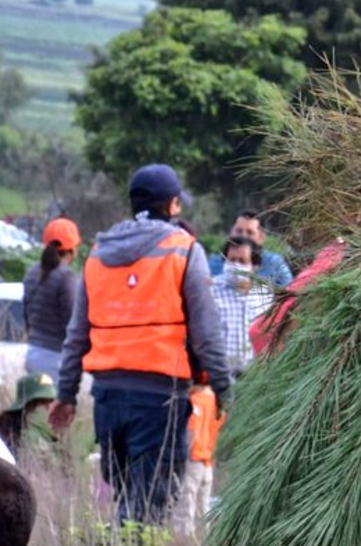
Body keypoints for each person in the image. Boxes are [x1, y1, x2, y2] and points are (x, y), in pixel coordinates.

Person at [50, 163, 232, 525]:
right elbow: (207, 332)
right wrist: (225, 390)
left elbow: (76, 335)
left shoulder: (99, 253)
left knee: (127, 498)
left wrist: (67, 394)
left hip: (108, 399)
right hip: (160, 397)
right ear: (174, 205)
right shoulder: (184, 250)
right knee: (149, 507)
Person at [22, 217, 81, 378]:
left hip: (32, 353)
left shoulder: (31, 272)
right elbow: (72, 322)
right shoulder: (66, 277)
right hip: (56, 357)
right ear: (72, 249)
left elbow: (26, 314)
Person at [212, 236, 273, 375]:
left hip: (254, 376)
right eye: (232, 260)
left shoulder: (265, 295)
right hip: (219, 375)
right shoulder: (210, 291)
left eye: (242, 261)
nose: (236, 265)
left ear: (254, 266)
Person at [174, 383, 222, 535]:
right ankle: (205, 538)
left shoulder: (194, 401)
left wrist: (182, 454)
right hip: (207, 459)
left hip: (194, 457)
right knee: (204, 505)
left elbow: (191, 430)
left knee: (187, 500)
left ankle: (184, 537)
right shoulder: (214, 400)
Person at [207, 210, 294, 287]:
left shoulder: (275, 263)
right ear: (231, 233)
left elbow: (290, 291)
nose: (243, 236)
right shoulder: (214, 263)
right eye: (239, 231)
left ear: (261, 238)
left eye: (250, 233)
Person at [0, 373, 57, 463]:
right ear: (28, 406)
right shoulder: (13, 435)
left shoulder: (52, 433)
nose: (49, 407)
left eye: (52, 401)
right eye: (43, 402)